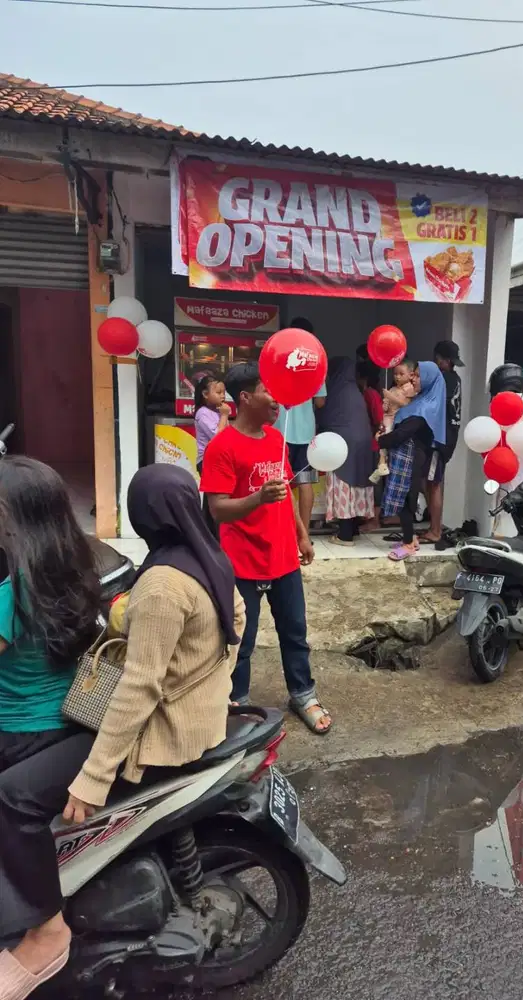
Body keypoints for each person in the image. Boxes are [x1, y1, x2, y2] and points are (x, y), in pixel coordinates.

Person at [65, 464, 246, 821]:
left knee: (15, 793)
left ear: (142, 516)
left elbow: (141, 684)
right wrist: (214, 685)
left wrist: (93, 779)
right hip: (206, 718)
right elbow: (237, 621)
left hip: (168, 737)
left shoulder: (161, 584)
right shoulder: (209, 555)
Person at [0, 457, 101, 998]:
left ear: (14, 519)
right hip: (64, 722)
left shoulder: (12, 593)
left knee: (10, 803)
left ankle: (46, 927)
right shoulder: (75, 563)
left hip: (22, 735)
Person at [201, 363, 332, 735]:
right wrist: (258, 497)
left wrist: (302, 534)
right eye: (269, 392)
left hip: (283, 558)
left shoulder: (276, 439)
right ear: (245, 398)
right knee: (240, 642)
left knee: (295, 633)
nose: (279, 401)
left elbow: (287, 491)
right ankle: (237, 702)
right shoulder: (222, 446)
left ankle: (303, 694)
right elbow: (217, 508)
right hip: (241, 562)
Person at [378, 361, 446, 561]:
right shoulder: (418, 401)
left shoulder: (426, 408)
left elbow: (403, 434)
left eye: (417, 375)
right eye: (413, 374)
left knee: (407, 499)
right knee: (403, 499)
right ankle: (411, 538)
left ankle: (408, 545)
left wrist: (381, 440)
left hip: (412, 459)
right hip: (405, 457)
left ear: (428, 380)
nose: (413, 379)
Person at [273, 317, 327, 534]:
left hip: (279, 431)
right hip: (305, 433)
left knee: (277, 482)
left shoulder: (280, 357)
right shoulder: (316, 362)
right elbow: (321, 401)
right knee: (305, 483)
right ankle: (302, 533)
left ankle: (278, 531)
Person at [317, 357, 376, 546]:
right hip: (363, 446)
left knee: (343, 485)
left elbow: (325, 417)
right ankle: (354, 527)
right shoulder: (355, 391)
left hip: (343, 446)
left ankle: (345, 535)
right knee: (357, 485)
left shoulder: (336, 391)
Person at [421, 341, 464, 544]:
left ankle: (436, 530)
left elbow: (431, 408)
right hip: (449, 437)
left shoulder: (442, 380)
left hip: (439, 439)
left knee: (433, 484)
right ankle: (434, 526)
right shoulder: (455, 378)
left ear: (440, 359)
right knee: (430, 482)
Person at [194, 375, 231, 538]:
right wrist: (224, 416)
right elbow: (217, 438)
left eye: (224, 392)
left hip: (219, 461)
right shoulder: (202, 413)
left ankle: (211, 536)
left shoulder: (217, 411)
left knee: (214, 501)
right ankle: (210, 535)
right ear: (205, 394)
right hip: (207, 461)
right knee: (214, 500)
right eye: (218, 392)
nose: (222, 396)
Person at [371, 359, 417, 482]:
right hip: (387, 417)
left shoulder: (409, 388)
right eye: (395, 374)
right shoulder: (392, 389)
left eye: (401, 374)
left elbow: (405, 404)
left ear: (410, 375)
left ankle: (383, 463)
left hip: (396, 418)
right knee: (380, 435)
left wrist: (390, 397)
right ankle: (381, 463)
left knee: (386, 437)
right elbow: (386, 407)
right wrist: (385, 405)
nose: (397, 377)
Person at [355, 360, 384, 532]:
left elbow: (378, 419)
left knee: (375, 482)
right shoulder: (369, 393)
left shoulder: (370, 394)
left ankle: (375, 520)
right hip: (368, 443)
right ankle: (367, 516)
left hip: (373, 444)